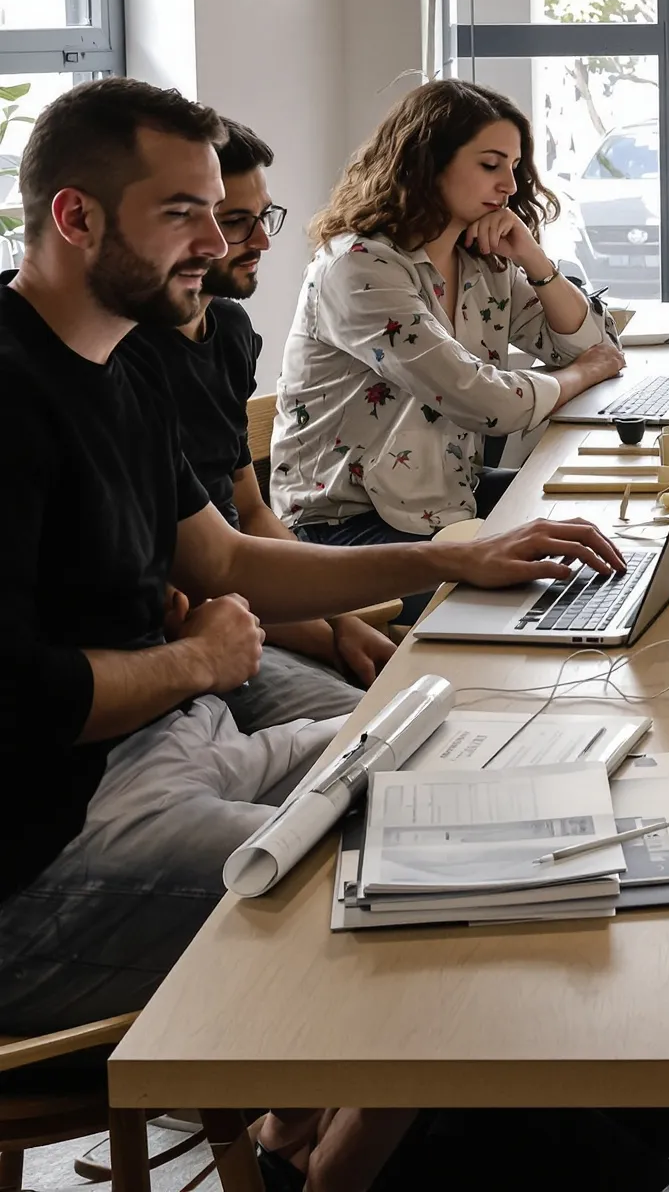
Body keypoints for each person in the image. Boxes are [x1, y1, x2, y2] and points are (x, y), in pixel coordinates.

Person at [0, 77, 630, 1044]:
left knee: (468, 764)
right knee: (435, 884)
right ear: (74, 217)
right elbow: (21, 698)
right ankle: (329, 1157)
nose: (219, 245)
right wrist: (198, 661)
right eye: (184, 215)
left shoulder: (121, 363)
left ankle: (312, 1130)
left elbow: (225, 556)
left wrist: (456, 560)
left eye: (219, 215)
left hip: (179, 741)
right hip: (51, 843)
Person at [273, 80, 627, 551]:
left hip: (447, 501)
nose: (511, 185)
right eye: (489, 165)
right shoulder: (358, 268)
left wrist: (534, 260)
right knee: (555, 577)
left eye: (515, 167)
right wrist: (581, 375)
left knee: (610, 530)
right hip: (345, 527)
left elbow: (594, 345)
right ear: (427, 162)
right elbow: (486, 401)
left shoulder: (481, 260)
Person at [121, 118, 393, 725]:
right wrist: (327, 636)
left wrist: (343, 622)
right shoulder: (124, 357)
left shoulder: (231, 332)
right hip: (208, 623)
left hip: (252, 602)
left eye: (260, 217)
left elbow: (249, 510)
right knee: (374, 735)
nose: (260, 242)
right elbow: (204, 570)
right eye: (234, 221)